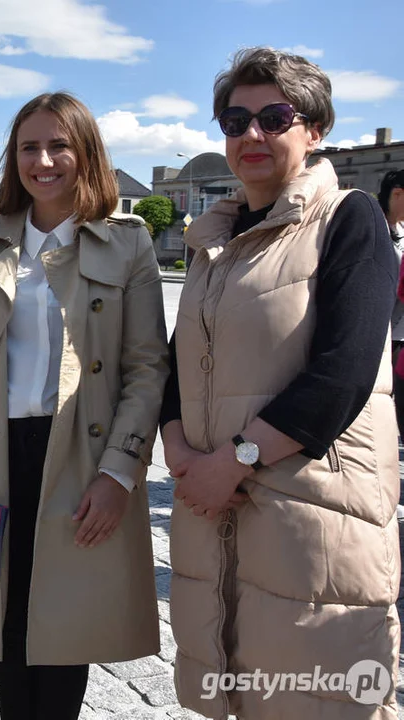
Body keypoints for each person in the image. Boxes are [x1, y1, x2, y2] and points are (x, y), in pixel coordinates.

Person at [161, 48, 399, 718]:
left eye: (274, 116)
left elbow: (344, 371)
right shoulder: (211, 238)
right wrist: (177, 447)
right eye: (235, 120)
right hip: (215, 513)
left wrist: (234, 461)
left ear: (313, 128)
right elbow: (182, 358)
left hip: (312, 517)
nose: (251, 135)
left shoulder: (348, 218)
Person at [0, 92, 169, 719]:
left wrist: (121, 472)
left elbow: (147, 369)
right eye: (29, 146)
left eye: (59, 144)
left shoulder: (127, 243)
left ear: (85, 151)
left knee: (65, 625)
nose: (43, 160)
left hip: (81, 456)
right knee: (4, 620)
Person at [377, 169, 404, 516]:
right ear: (397, 193)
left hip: (397, 336)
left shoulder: (398, 233)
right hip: (381, 337)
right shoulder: (371, 228)